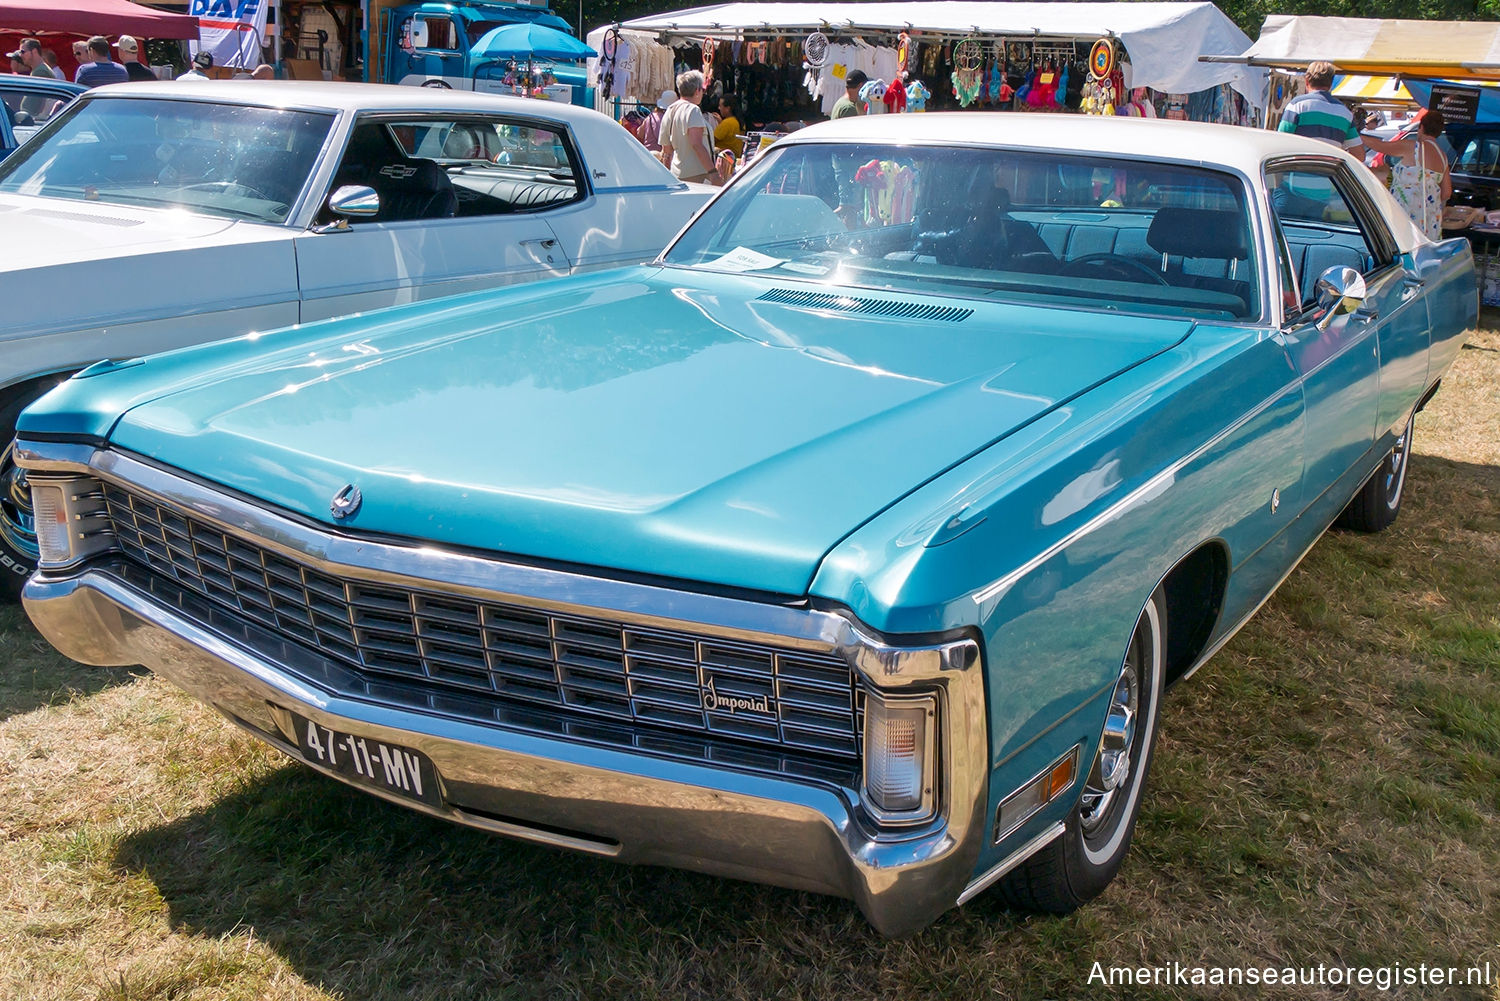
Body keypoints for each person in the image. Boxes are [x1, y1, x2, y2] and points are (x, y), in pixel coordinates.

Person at [1361, 110, 1452, 240]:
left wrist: (1356, 135)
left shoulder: (1413, 147)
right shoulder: (1442, 155)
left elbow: (1380, 146)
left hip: (1406, 212)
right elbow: (1447, 193)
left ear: (1421, 127)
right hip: (1431, 218)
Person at [1277, 61, 1365, 161]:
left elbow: (1281, 142)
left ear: (1307, 80)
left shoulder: (1296, 105)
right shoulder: (1345, 113)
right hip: (1328, 174)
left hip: (1298, 172)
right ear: (1331, 83)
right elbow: (1359, 155)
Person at [659, 70, 717, 184]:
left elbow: (666, 150)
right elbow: (696, 144)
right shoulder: (693, 110)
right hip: (697, 174)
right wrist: (713, 173)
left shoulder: (670, 110)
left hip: (676, 173)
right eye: (703, 90)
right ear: (697, 90)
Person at [713, 94, 743, 158]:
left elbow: (711, 140)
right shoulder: (738, 121)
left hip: (725, 159)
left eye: (720, 106)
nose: (719, 108)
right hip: (735, 157)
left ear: (728, 108)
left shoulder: (727, 123)